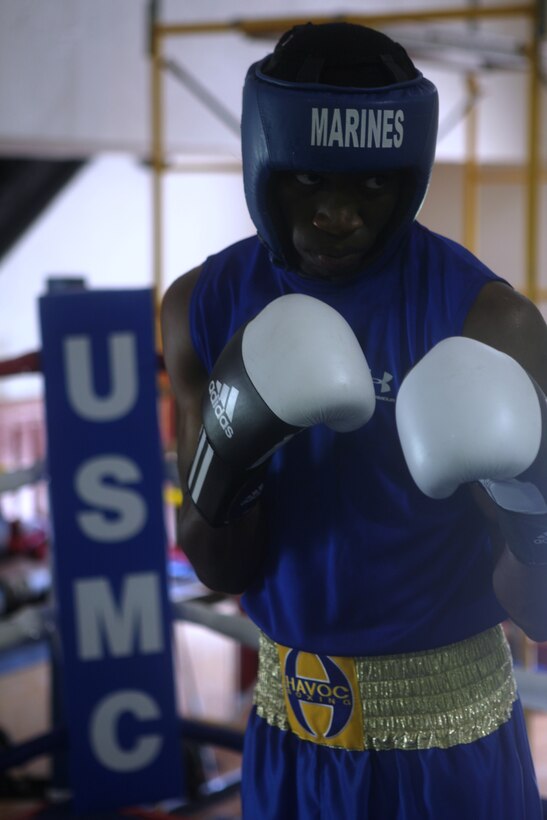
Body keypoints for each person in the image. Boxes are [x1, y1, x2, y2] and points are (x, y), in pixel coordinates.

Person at [161, 21, 547, 819]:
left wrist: (531, 501)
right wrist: (230, 458)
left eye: (370, 186)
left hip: (453, 746)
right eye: (307, 180)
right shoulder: (201, 307)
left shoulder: (487, 323)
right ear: (264, 165)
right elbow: (218, 568)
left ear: (407, 176)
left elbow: (539, 611)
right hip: (290, 735)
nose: (337, 214)